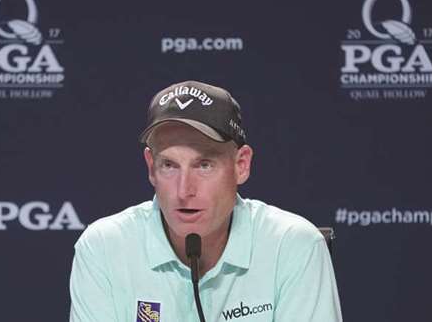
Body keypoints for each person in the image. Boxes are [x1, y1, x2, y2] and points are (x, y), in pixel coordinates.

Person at [69, 80, 343, 322]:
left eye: (204, 165)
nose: (184, 190)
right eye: (169, 165)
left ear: (241, 165)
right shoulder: (104, 247)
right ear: (151, 168)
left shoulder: (293, 245)